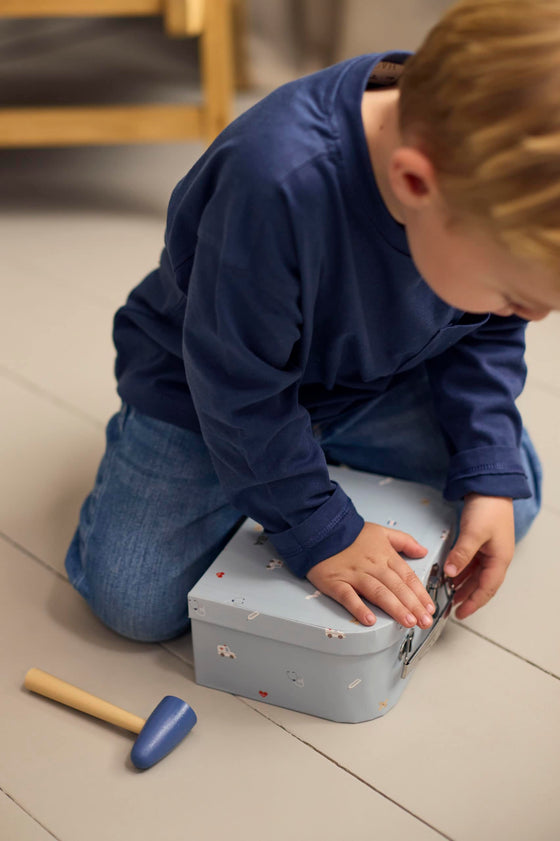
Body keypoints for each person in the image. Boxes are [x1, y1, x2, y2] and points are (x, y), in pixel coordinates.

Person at [65, 0, 560, 643]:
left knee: (505, 500)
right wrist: (324, 532)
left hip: (375, 377)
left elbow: (484, 331)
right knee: (133, 602)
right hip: (209, 391)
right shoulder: (274, 182)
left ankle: (299, 470)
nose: (531, 318)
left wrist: (487, 463)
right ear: (415, 184)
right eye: (517, 296)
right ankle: (280, 477)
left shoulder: (478, 209)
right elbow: (237, 385)